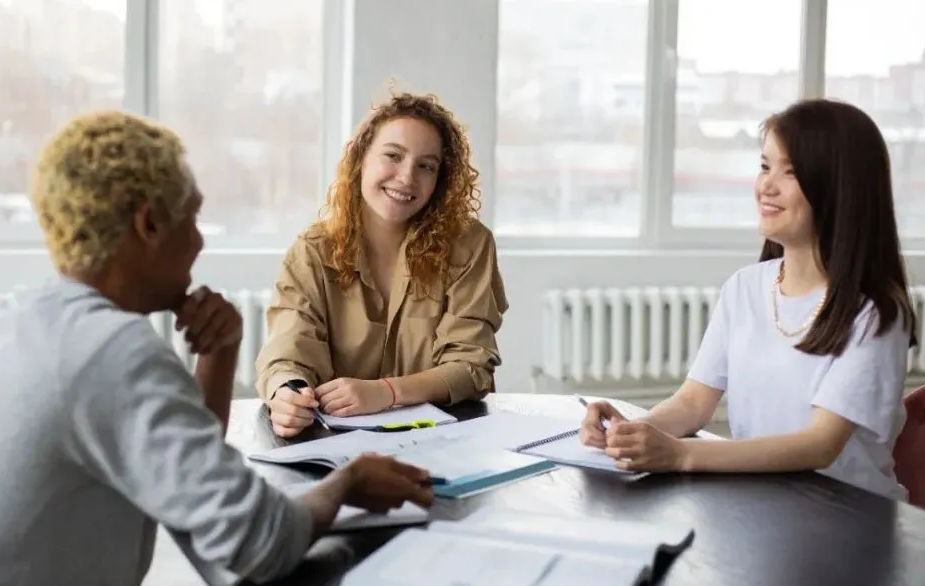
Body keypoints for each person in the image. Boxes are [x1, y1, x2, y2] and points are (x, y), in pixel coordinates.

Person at [0, 110, 434, 586]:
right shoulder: (113, 353)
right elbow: (261, 543)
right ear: (149, 224)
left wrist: (218, 354)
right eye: (193, 217)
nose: (198, 242)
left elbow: (191, 472)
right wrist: (348, 481)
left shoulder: (24, 318)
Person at [580, 98, 918, 500]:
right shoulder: (743, 288)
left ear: (839, 189)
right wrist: (631, 433)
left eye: (790, 171)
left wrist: (682, 455)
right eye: (764, 166)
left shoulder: (876, 314)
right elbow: (692, 403)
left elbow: (820, 444)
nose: (766, 185)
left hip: (850, 520)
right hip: (763, 506)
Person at [255, 92, 509, 438]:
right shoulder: (312, 251)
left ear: (440, 180)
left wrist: (386, 392)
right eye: (393, 156)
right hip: (335, 446)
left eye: (426, 166)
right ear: (361, 159)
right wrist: (287, 394)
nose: (406, 178)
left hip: (444, 442)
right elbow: (289, 350)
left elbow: (471, 366)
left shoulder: (469, 244)